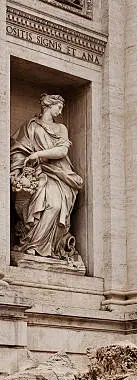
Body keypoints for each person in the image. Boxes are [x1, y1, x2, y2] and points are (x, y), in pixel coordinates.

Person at [10, 93, 83, 259]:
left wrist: (38, 155)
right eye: (59, 107)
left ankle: (45, 247)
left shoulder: (61, 128)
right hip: (36, 173)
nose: (60, 111)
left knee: (55, 206)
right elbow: (18, 150)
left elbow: (62, 150)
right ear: (49, 106)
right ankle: (32, 245)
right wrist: (17, 171)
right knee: (40, 206)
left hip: (59, 173)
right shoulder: (30, 126)